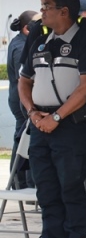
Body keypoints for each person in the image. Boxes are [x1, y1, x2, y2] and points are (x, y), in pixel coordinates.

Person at [19, 0, 86, 238]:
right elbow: (24, 81)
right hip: (40, 123)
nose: (42, 11)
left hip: (70, 124)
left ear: (64, 11)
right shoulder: (41, 41)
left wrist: (56, 117)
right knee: (46, 190)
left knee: (70, 188)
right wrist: (33, 112)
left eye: (47, 6)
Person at [8, 10, 37, 189]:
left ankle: (19, 182)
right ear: (27, 28)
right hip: (22, 100)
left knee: (21, 138)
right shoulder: (21, 47)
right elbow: (24, 79)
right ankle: (21, 183)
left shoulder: (20, 42)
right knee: (23, 140)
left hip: (18, 98)